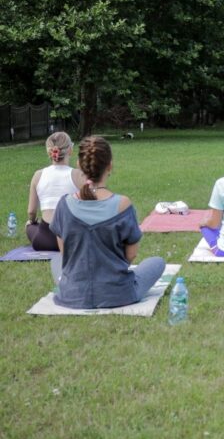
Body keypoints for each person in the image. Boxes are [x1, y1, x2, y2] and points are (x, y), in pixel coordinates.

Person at [48, 136, 166, 309]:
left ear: (80, 165)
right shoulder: (123, 204)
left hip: (73, 293)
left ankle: (72, 285)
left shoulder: (64, 204)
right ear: (109, 165)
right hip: (118, 293)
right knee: (158, 262)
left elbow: (65, 253)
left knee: (56, 261)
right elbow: (131, 255)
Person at [26, 132, 85, 251]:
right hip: (71, 238)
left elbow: (31, 212)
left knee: (29, 226)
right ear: (70, 150)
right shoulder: (78, 175)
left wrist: (32, 222)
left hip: (44, 239)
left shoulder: (38, 175)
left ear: (49, 152)